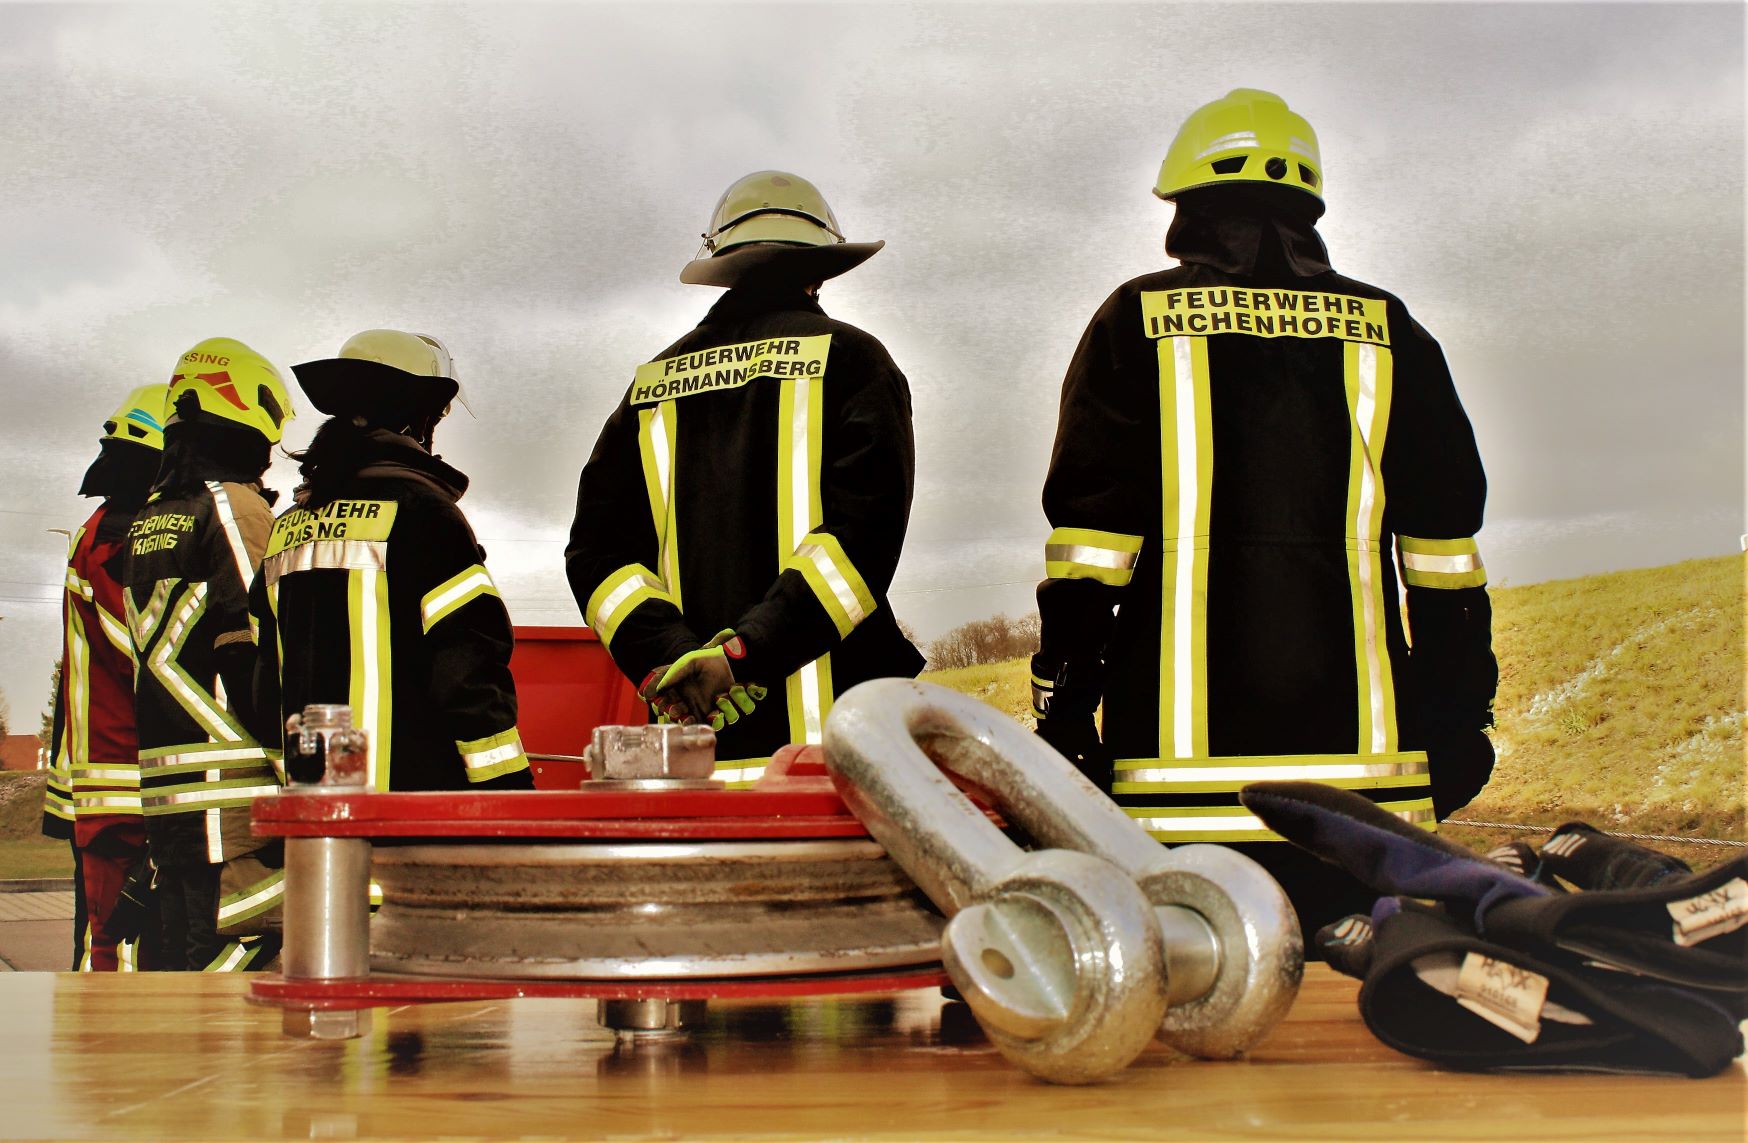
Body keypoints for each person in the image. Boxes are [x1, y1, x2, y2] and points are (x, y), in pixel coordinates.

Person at [1030, 90, 1498, 938]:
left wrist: (1064, 705)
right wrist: (1461, 711)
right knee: (1364, 993)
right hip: (1364, 806)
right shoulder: (1391, 330)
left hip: (1177, 798)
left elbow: (1090, 551)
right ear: (1307, 204)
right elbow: (1443, 552)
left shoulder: (1134, 321)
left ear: (1186, 203)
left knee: (1201, 993)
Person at [567, 171, 923, 783]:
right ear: (819, 272)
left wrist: (676, 658)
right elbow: (863, 539)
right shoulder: (854, 360)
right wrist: (743, 655)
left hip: (693, 763)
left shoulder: (650, 386)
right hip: (833, 765)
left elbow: (597, 558)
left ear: (725, 267)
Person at [248, 330, 531, 791]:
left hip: (313, 809)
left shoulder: (288, 527)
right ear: (420, 417)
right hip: (410, 812)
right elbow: (469, 675)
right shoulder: (426, 515)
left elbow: (263, 684)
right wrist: (507, 789)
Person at [124, 338, 292, 971]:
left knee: (183, 966)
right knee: (242, 965)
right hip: (236, 797)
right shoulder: (234, 508)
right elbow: (255, 645)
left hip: (171, 795)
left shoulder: (151, 517)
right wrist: (299, 763)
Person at [41, 384, 169, 970]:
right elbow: (149, 657)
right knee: (118, 953)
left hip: (102, 780)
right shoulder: (121, 537)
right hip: (125, 782)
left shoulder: (100, 526)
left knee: (103, 944)